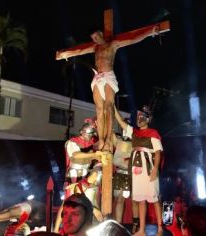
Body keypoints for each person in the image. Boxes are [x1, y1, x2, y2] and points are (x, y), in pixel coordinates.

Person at [56, 25, 160, 152]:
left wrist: (150, 32)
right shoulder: (95, 47)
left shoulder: (113, 44)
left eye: (96, 36)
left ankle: (109, 140)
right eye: (93, 38)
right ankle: (101, 140)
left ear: (101, 33)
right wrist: (65, 53)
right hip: (97, 78)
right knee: (99, 109)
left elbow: (132, 39)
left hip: (108, 76)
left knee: (108, 106)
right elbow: (79, 51)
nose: (95, 39)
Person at [115, 105, 163, 236]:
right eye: (138, 117)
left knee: (154, 200)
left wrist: (155, 170)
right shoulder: (134, 133)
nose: (139, 119)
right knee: (141, 201)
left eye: (142, 117)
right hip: (137, 171)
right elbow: (121, 122)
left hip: (149, 170)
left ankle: (160, 228)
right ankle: (141, 230)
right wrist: (113, 107)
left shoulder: (153, 133)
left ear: (148, 119)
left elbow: (158, 153)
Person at [64, 118, 108, 213]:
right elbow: (76, 155)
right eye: (89, 134)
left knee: (88, 201)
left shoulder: (92, 142)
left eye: (92, 134)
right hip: (74, 174)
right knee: (72, 201)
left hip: (87, 175)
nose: (91, 136)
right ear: (82, 132)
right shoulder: (73, 142)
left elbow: (101, 141)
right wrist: (94, 155)